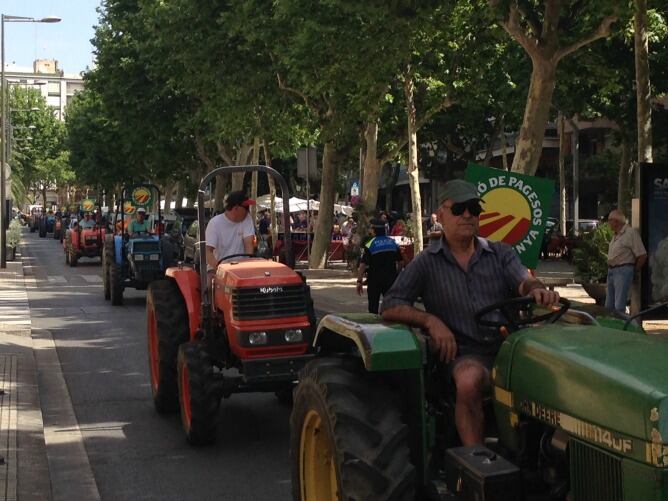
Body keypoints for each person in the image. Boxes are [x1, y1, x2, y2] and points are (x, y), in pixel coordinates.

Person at [380, 179, 559, 446]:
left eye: (473, 209)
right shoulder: (427, 262)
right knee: (468, 380)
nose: (467, 215)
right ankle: (477, 460)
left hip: (510, 348)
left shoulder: (500, 253)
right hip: (464, 353)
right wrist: (430, 320)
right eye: (459, 208)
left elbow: (523, 281)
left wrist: (537, 290)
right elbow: (390, 304)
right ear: (440, 215)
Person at [356, 218, 404, 314]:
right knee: (389, 308)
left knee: (373, 308)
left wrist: (359, 281)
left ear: (374, 230)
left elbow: (363, 265)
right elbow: (401, 262)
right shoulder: (392, 243)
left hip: (374, 280)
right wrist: (397, 275)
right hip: (390, 280)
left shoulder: (370, 244)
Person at [605, 209, 647, 313]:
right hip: (612, 271)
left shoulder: (630, 233)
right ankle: (610, 325)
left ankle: (620, 326)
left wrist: (633, 270)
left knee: (619, 305)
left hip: (623, 270)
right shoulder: (616, 235)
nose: (608, 223)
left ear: (616, 221)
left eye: (609, 220)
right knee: (609, 305)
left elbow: (642, 255)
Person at [205, 190, 256, 272]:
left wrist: (248, 266)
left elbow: (248, 244)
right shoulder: (215, 223)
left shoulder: (247, 219)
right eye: (246, 207)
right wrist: (219, 269)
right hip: (217, 267)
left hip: (241, 267)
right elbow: (207, 252)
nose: (248, 210)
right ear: (236, 208)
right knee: (209, 280)